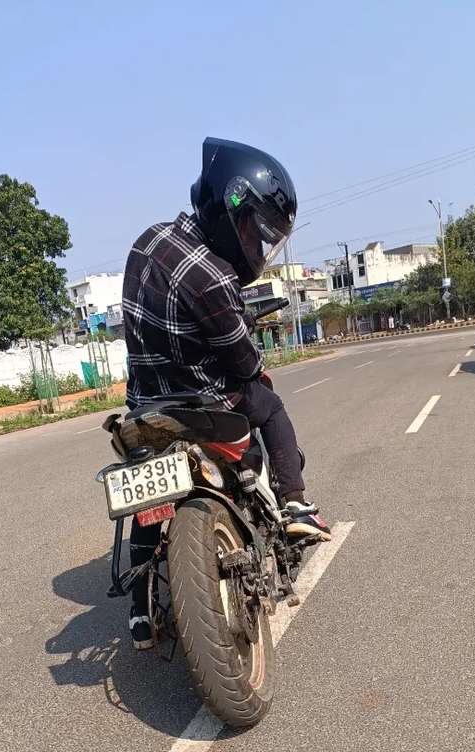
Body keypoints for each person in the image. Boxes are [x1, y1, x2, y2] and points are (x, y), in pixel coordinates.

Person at [123, 137, 331, 649]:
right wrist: (256, 371)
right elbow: (242, 361)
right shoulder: (213, 276)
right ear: (226, 205)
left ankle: (138, 612)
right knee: (272, 405)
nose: (255, 247)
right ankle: (295, 503)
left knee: (150, 501)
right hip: (204, 405)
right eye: (253, 232)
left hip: (144, 408)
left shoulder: (145, 241)